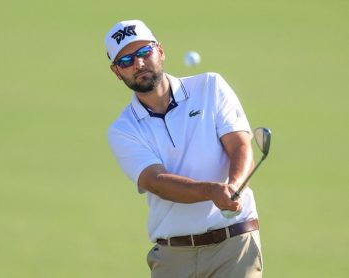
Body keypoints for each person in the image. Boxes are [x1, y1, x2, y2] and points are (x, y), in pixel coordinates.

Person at [105, 19, 263, 278]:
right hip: (174, 257)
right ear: (116, 71)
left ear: (160, 51)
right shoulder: (123, 129)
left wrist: (233, 186)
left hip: (234, 244)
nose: (139, 64)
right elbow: (156, 182)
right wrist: (212, 191)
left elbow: (240, 145)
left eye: (145, 52)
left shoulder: (210, 86)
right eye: (126, 61)